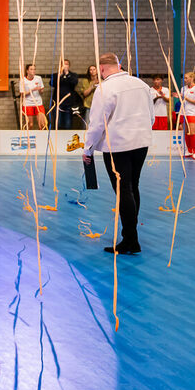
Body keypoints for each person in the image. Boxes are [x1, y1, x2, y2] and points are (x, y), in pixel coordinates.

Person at [82, 52, 154, 256]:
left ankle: (130, 240)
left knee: (123, 190)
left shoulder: (105, 88)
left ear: (102, 69)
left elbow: (97, 123)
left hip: (118, 146)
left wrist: (88, 148)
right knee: (133, 187)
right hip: (141, 143)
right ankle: (130, 235)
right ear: (119, 66)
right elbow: (151, 116)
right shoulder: (141, 84)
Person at [179, 71, 195, 160]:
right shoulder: (183, 88)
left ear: (192, 78)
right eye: (184, 78)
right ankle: (189, 151)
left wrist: (185, 97)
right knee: (186, 133)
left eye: (186, 78)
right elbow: (182, 100)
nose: (184, 80)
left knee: (192, 133)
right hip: (183, 112)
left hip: (193, 113)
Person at [52, 58, 80, 130]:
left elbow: (74, 83)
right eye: (63, 64)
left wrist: (67, 74)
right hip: (57, 103)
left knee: (68, 124)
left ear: (69, 66)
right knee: (57, 124)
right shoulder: (56, 75)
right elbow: (52, 83)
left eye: (66, 64)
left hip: (69, 104)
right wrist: (60, 75)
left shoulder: (73, 75)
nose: (65, 66)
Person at [18, 63, 47, 131]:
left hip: (38, 103)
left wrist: (40, 90)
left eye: (34, 69)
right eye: (31, 69)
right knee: (30, 124)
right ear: (27, 71)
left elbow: (41, 92)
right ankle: (28, 136)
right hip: (28, 103)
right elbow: (22, 94)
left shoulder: (38, 78)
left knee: (42, 125)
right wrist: (32, 90)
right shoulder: (23, 80)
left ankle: (41, 136)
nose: (33, 71)